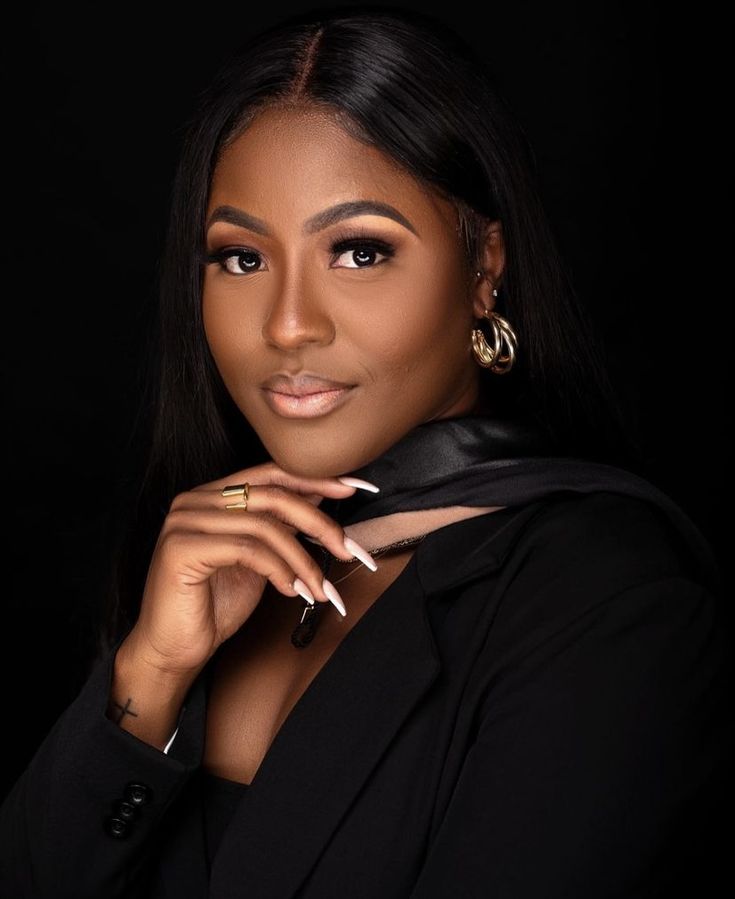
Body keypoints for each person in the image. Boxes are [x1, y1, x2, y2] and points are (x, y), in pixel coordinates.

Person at [1, 4, 732, 897]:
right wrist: (151, 670)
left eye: (356, 251)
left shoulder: (609, 602)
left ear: (483, 268)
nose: (287, 325)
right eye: (239, 259)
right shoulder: (207, 571)